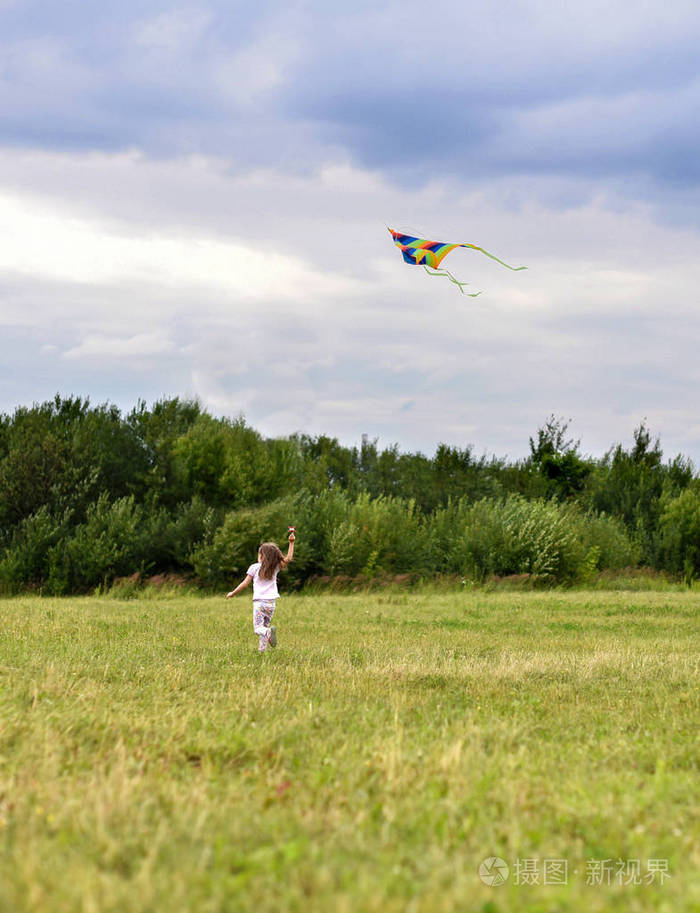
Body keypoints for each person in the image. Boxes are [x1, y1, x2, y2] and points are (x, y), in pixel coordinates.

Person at [225, 530, 295, 652]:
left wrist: (233, 593)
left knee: (258, 629)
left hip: (259, 604)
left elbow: (244, 583)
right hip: (271, 604)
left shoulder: (254, 568)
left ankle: (268, 633)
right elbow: (288, 558)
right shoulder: (275, 568)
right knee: (265, 627)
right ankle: (261, 652)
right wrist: (291, 543)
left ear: (262, 556)